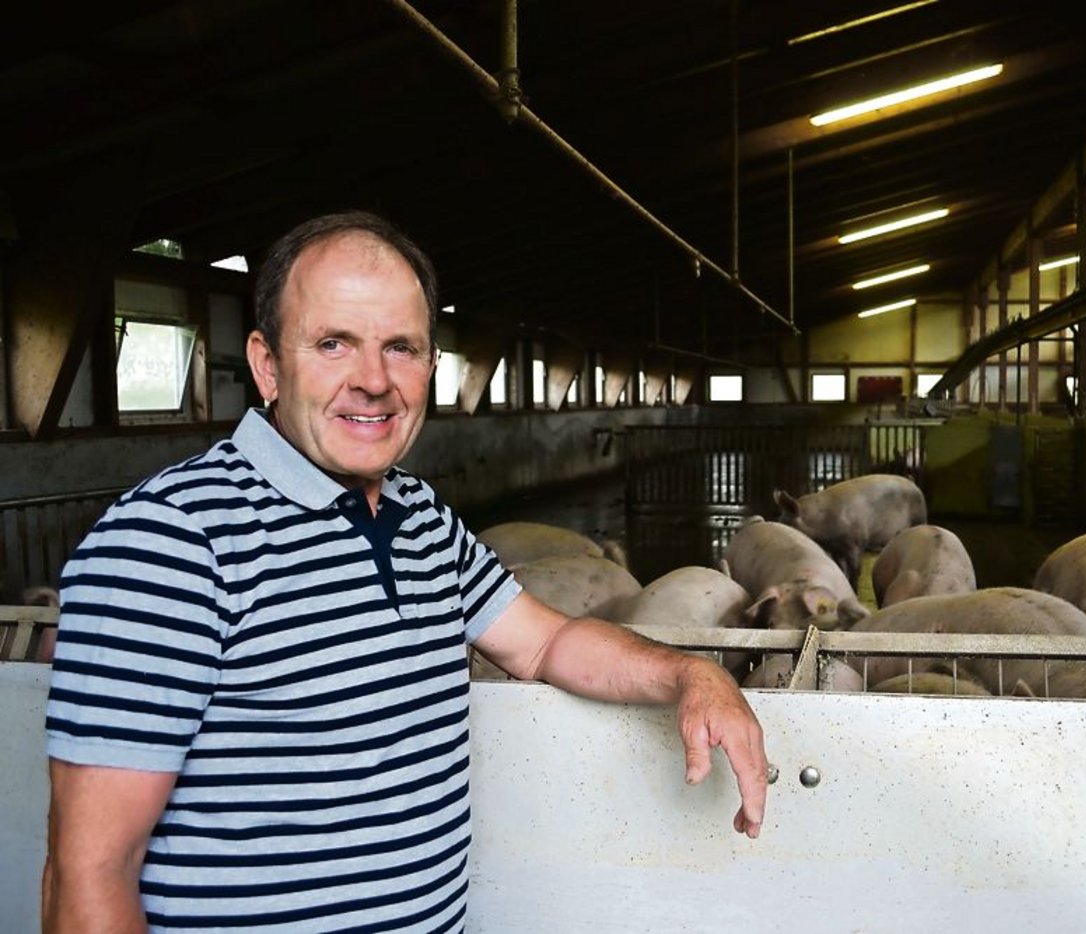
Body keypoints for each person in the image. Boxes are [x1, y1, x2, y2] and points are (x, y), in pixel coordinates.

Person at [42, 211, 768, 932]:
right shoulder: (170, 541)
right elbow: (87, 877)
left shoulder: (420, 515)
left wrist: (692, 675)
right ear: (267, 364)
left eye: (402, 348)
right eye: (334, 343)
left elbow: (546, 644)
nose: (374, 381)